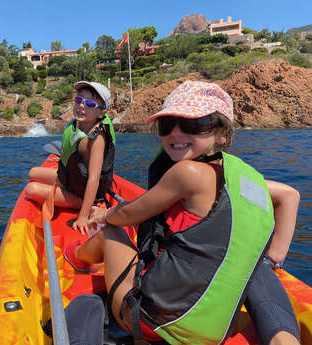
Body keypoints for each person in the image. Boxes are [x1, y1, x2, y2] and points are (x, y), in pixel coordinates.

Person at [63, 81, 301, 345]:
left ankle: (76, 257)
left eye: (194, 125)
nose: (176, 133)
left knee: (111, 231)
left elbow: (128, 215)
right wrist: (274, 258)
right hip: (214, 331)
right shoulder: (244, 177)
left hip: (154, 322)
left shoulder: (187, 173)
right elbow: (290, 196)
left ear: (222, 133)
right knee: (256, 264)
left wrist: (103, 215)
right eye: (167, 126)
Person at [25, 81, 116, 236]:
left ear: (101, 113)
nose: (81, 106)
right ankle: (68, 192)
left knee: (31, 189)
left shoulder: (98, 138)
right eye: (79, 101)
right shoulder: (79, 125)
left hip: (83, 192)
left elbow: (93, 179)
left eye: (89, 104)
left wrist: (83, 215)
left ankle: (90, 206)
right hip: (70, 180)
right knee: (33, 172)